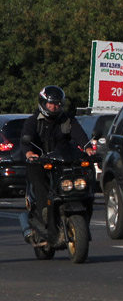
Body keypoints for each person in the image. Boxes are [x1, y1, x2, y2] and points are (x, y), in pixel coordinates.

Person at [20, 85, 95, 243]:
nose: (54, 107)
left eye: (58, 104)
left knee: (86, 176)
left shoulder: (67, 119)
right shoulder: (33, 121)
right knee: (38, 178)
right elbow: (26, 139)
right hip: (41, 162)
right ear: (43, 103)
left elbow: (79, 135)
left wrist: (88, 148)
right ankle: (44, 210)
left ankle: (84, 206)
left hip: (64, 161)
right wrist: (29, 153)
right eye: (51, 104)